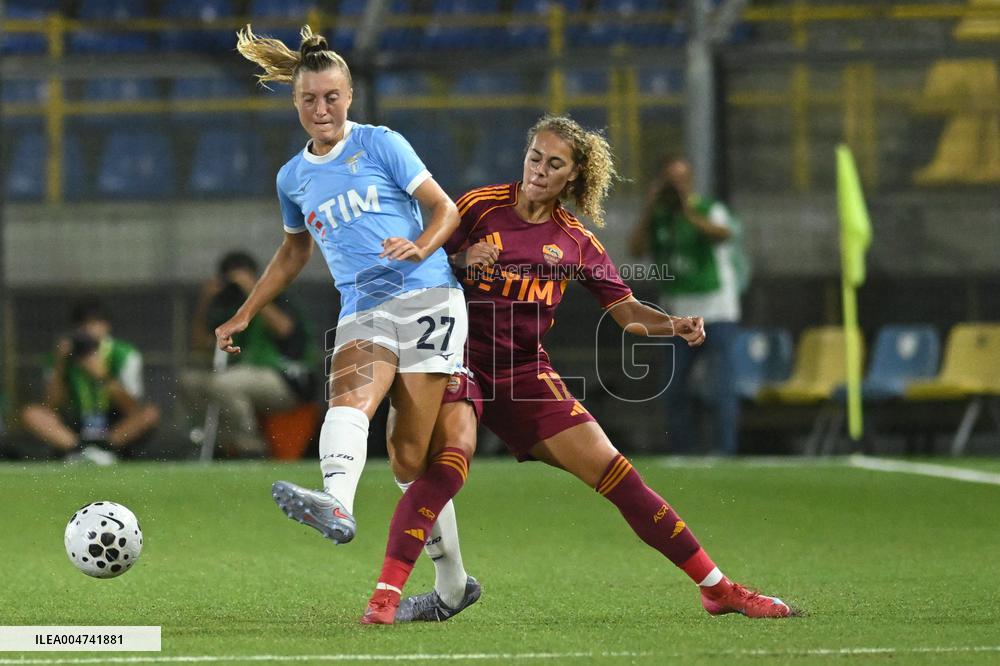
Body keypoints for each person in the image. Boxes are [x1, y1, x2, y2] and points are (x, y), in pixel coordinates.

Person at [367, 116, 793, 624]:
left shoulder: (575, 242)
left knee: (621, 477)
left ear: (573, 177)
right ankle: (385, 598)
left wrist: (674, 325)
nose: (539, 171)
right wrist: (461, 263)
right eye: (534, 158)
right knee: (450, 464)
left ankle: (717, 588)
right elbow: (416, 260)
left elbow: (629, 314)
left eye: (554, 164)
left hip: (525, 374)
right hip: (461, 360)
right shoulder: (477, 207)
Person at [223, 25, 471, 623]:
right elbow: (294, 252)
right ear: (295, 103)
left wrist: (418, 245)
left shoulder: (382, 143)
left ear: (349, 96)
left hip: (428, 297)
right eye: (309, 99)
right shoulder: (292, 178)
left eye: (331, 97)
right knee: (348, 402)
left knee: (410, 458)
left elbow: (446, 209)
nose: (320, 109)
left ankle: (454, 584)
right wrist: (246, 310)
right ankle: (336, 502)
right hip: (362, 307)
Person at [629, 157, 747, 455]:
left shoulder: (708, 209)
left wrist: (689, 213)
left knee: (721, 386)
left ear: (691, 182)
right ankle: (684, 452)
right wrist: (649, 208)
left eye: (682, 180)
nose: (677, 187)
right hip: (678, 317)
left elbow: (725, 234)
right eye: (671, 181)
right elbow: (636, 249)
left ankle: (725, 452)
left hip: (717, 312)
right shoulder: (659, 217)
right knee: (673, 388)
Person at [182, 250, 319, 457]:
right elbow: (201, 346)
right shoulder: (227, 304)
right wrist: (206, 302)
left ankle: (250, 448)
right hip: (243, 374)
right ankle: (219, 445)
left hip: (287, 378)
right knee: (190, 382)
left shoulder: (278, 297)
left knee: (225, 383)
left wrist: (254, 293)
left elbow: (285, 330)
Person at [20, 298, 160, 464]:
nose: (88, 330)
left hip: (113, 421)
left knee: (150, 413)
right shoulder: (61, 356)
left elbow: (132, 408)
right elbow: (51, 405)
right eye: (83, 325)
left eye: (94, 324)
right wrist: (60, 366)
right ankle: (79, 451)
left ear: (106, 325)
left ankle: (105, 451)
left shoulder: (125, 354)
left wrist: (103, 376)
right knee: (31, 414)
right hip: (75, 421)